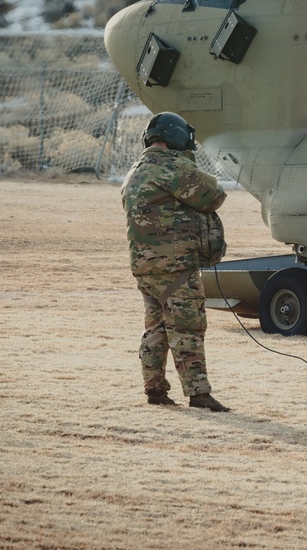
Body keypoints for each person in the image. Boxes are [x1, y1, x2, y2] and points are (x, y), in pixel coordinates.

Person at [121, 111, 230, 412]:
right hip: (175, 267)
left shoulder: (135, 171)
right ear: (177, 137)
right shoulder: (173, 166)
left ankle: (154, 389)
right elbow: (214, 196)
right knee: (188, 327)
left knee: (156, 328)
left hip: (145, 267)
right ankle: (199, 395)